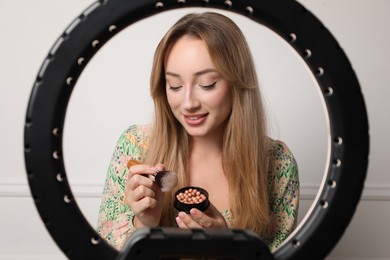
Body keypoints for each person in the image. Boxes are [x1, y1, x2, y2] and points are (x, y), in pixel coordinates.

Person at [97, 11, 299, 252]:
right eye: (175, 85)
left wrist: (227, 246)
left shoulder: (277, 163)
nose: (188, 102)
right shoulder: (135, 145)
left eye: (207, 84)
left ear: (237, 83)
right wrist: (143, 225)